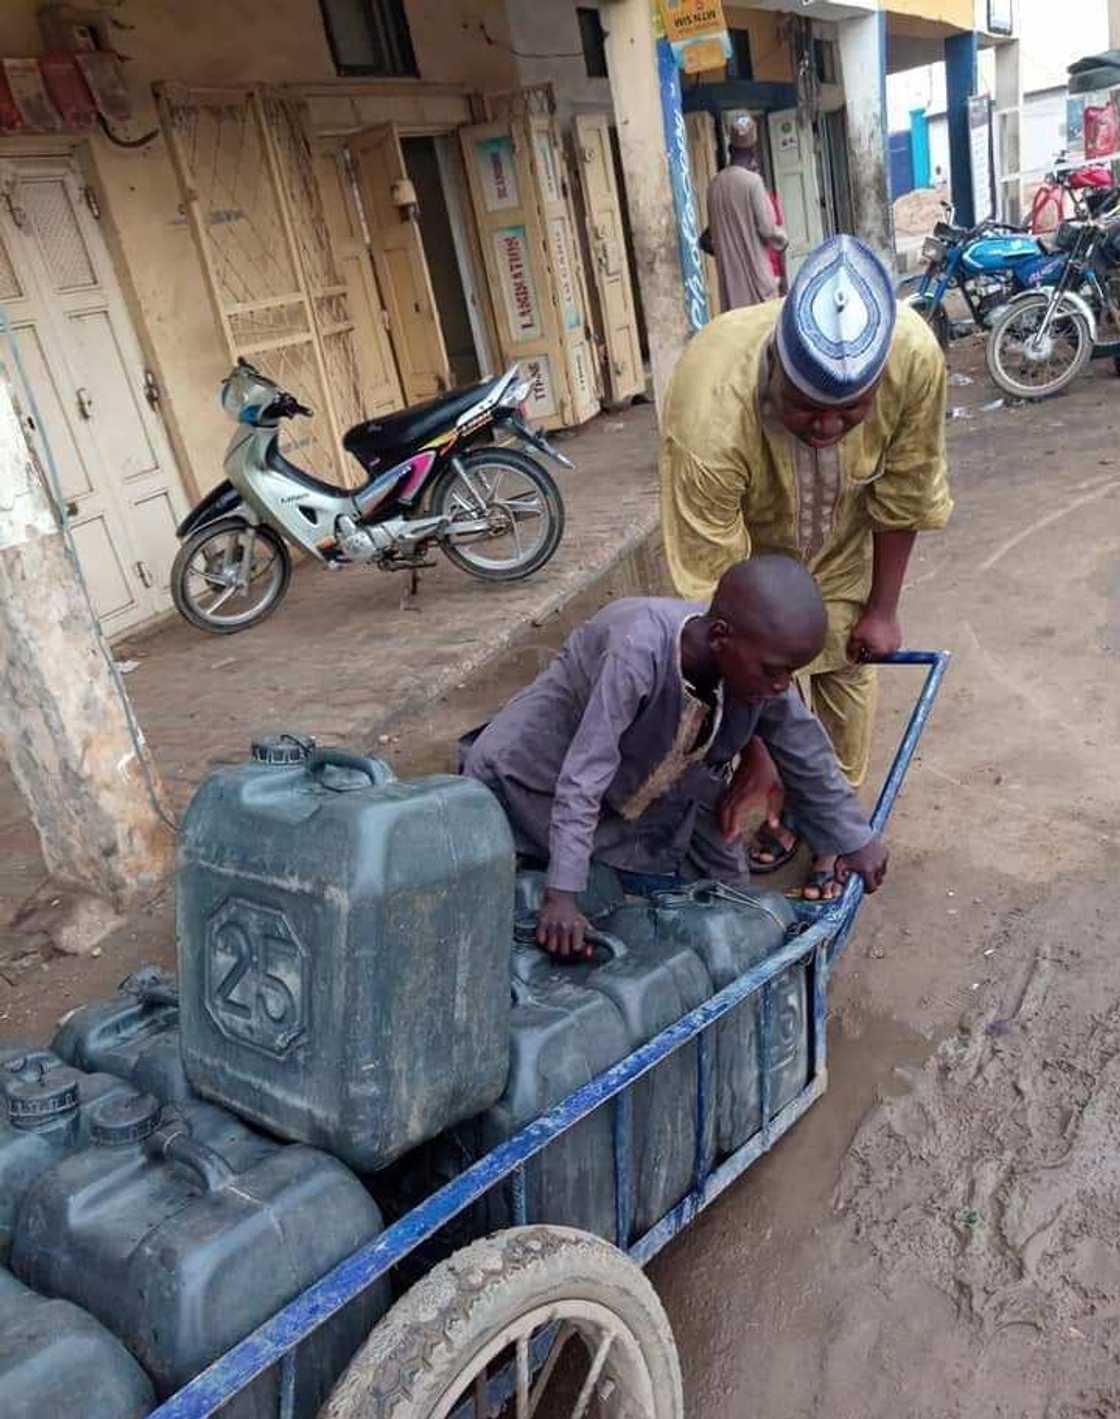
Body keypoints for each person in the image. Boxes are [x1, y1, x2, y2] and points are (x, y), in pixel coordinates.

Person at [660, 233, 952, 900]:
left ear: (879, 382)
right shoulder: (711, 404)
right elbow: (712, 577)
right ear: (774, 368)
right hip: (749, 565)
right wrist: (763, 751)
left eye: (850, 411)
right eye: (803, 406)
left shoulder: (912, 358)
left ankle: (827, 824)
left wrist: (883, 607)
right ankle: (766, 786)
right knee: (742, 688)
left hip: (845, 545)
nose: (825, 427)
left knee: (847, 675)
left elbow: (905, 487)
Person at [463, 556, 888, 959]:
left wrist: (855, 838)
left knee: (733, 898)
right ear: (720, 637)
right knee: (566, 901)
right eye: (774, 671)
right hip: (536, 780)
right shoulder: (636, 651)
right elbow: (582, 776)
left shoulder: (755, 665)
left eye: (791, 673)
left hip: (649, 781)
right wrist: (562, 895)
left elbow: (804, 748)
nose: (782, 686)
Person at [700, 114, 788, 310]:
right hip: (757, 287)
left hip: (731, 290)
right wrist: (783, 238)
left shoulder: (713, 186)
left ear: (730, 149)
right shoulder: (753, 182)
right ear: (753, 151)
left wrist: (727, 250)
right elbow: (768, 230)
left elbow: (707, 239)